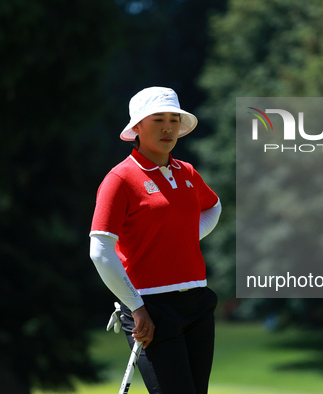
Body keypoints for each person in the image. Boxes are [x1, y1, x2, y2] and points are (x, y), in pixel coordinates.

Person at [89, 86, 222, 394]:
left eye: (174, 119)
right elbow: (100, 251)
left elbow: (213, 206)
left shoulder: (186, 172)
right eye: (157, 119)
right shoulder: (120, 179)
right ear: (136, 127)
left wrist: (181, 239)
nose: (168, 127)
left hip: (197, 302)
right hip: (151, 308)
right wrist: (135, 307)